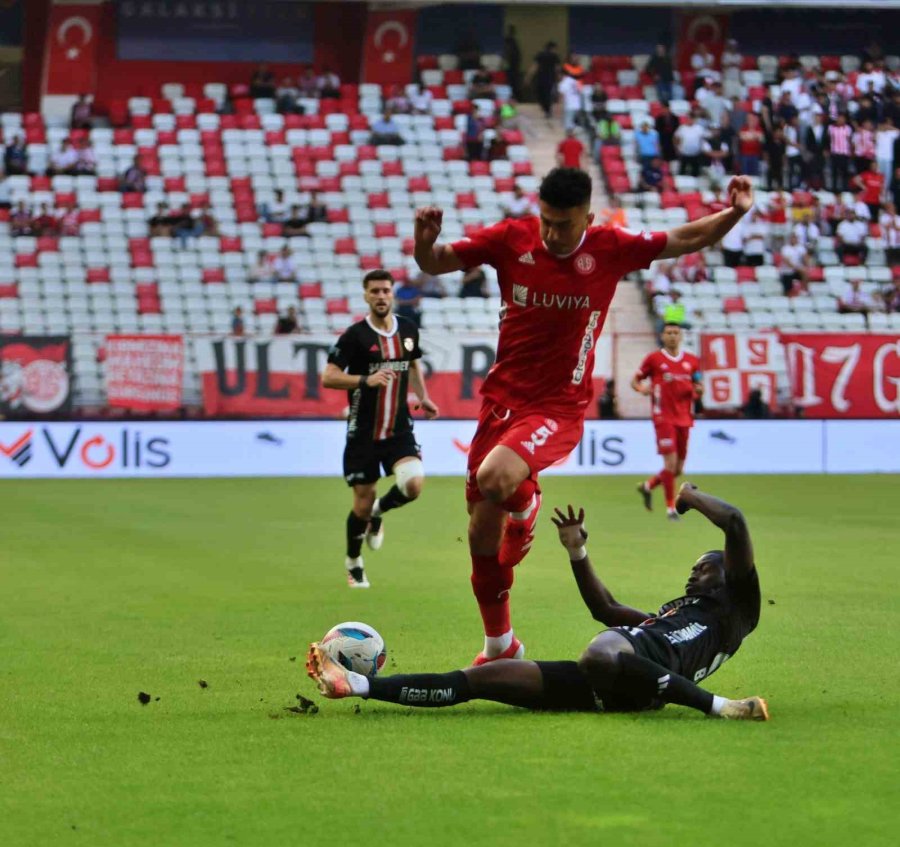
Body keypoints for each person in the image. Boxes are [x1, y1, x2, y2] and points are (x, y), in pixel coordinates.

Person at [413, 167, 754, 663]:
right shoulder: (511, 238)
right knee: (480, 532)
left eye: (564, 225)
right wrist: (425, 241)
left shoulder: (610, 247)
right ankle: (500, 644)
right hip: (501, 400)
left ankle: (526, 506)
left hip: (558, 406)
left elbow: (683, 238)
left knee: (495, 477)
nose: (552, 234)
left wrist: (734, 213)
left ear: (588, 219)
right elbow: (435, 262)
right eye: (546, 222)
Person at [307, 487, 769, 723]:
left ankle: (720, 707)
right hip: (607, 687)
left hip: (624, 668)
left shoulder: (736, 610)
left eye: (704, 568)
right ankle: (358, 685)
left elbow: (734, 521)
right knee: (480, 679)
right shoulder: (669, 618)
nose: (693, 575)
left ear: (730, 575)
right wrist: (576, 550)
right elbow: (605, 608)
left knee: (601, 652)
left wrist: (687, 495)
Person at [322, 269, 439, 588]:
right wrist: (365, 380)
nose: (381, 296)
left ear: (392, 294)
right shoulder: (355, 336)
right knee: (359, 505)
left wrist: (423, 397)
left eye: (385, 290)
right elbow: (329, 376)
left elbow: (412, 363)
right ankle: (353, 562)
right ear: (366, 296)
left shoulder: (408, 329)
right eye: (374, 291)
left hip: (399, 429)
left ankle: (379, 511)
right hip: (363, 433)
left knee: (413, 484)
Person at [633, 323, 702, 521]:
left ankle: (648, 486)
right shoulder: (654, 359)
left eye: (675, 333)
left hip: (684, 418)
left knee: (678, 469)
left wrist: (699, 389)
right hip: (663, 417)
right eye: (668, 333)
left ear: (681, 336)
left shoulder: (692, 361)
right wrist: (642, 389)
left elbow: (698, 384)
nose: (672, 336)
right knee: (670, 465)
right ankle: (671, 509)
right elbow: (635, 381)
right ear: (662, 336)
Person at [527, 42, 561, 121]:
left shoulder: (540, 55)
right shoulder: (554, 56)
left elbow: (534, 66)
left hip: (540, 77)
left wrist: (528, 77)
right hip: (550, 78)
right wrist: (559, 78)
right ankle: (547, 110)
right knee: (548, 94)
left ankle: (545, 108)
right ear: (553, 48)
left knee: (540, 93)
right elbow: (557, 68)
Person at [503, 25, 522, 101]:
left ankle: (514, 97)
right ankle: (512, 98)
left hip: (513, 67)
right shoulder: (509, 42)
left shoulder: (512, 43)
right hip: (511, 68)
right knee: (511, 83)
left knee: (514, 83)